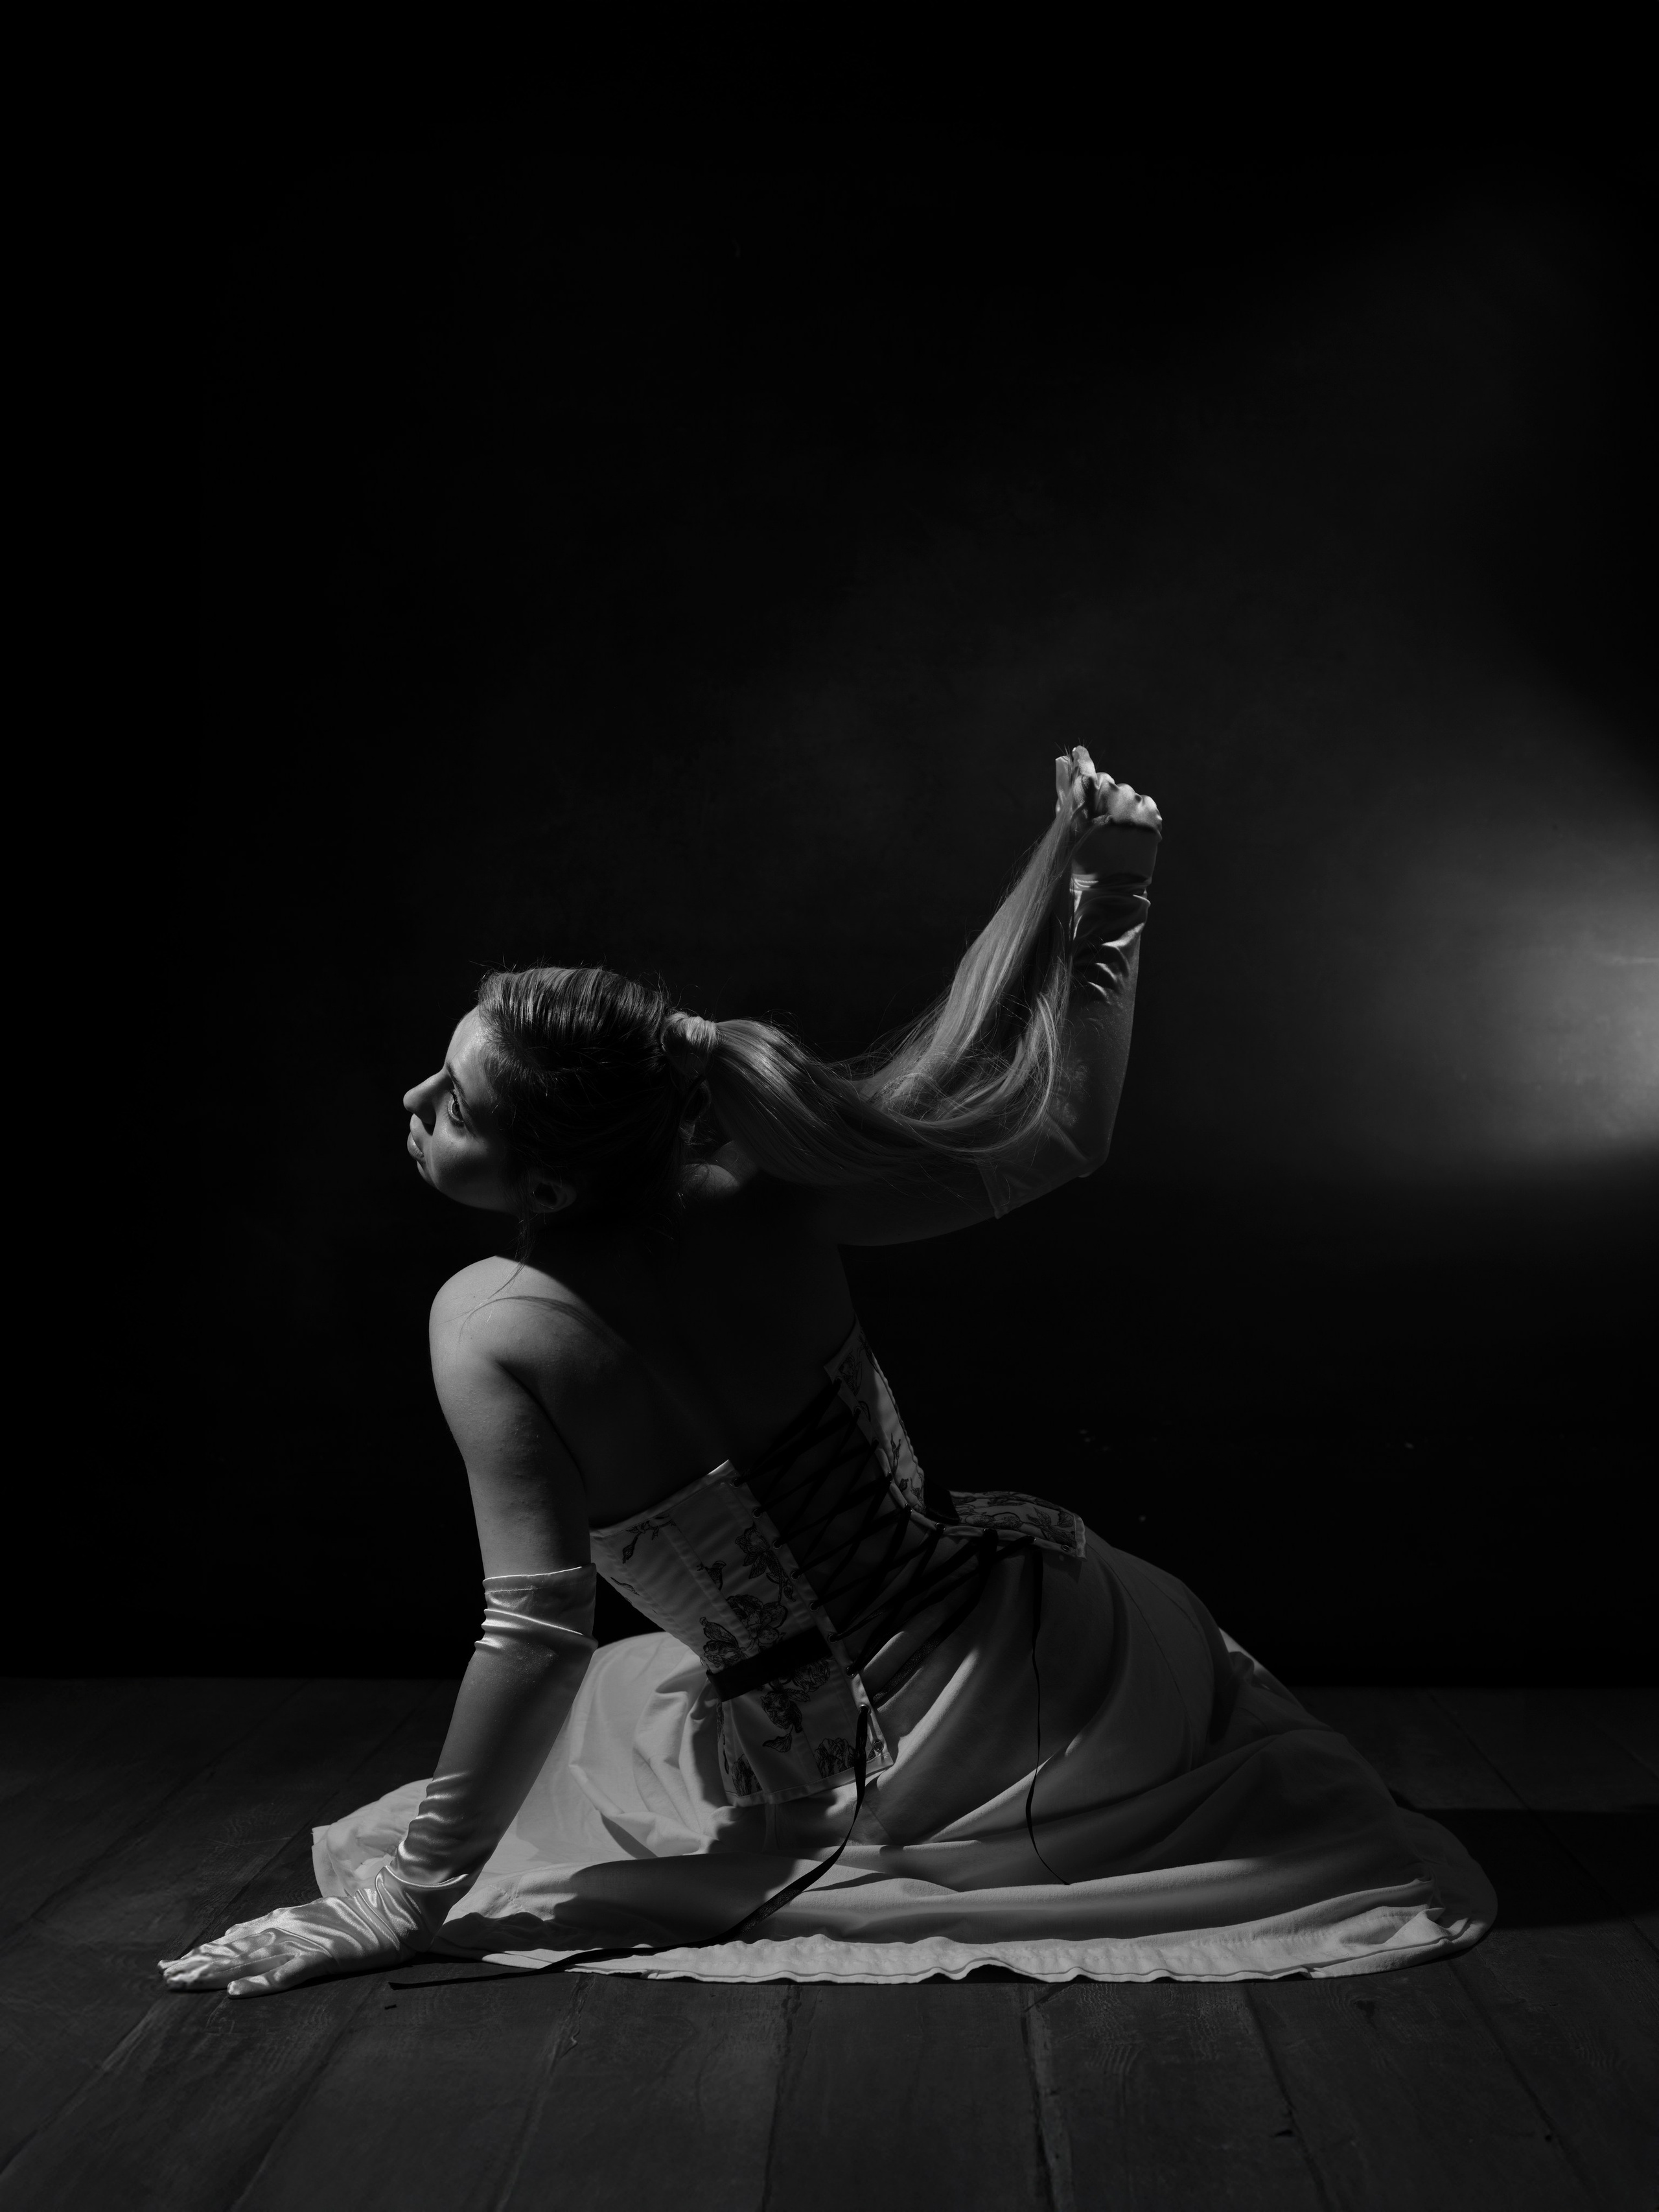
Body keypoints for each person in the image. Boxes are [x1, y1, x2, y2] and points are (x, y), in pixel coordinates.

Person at [162, 749, 1492, 1997]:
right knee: (629, 1713)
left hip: (906, 1779)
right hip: (1068, 1651)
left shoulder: (487, 1323)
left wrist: (407, 1898)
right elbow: (1063, 1139)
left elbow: (535, 1640)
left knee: (605, 1734)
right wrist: (1113, 900)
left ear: (552, 1185)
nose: (410, 1100)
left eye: (452, 1101)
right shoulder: (765, 1189)